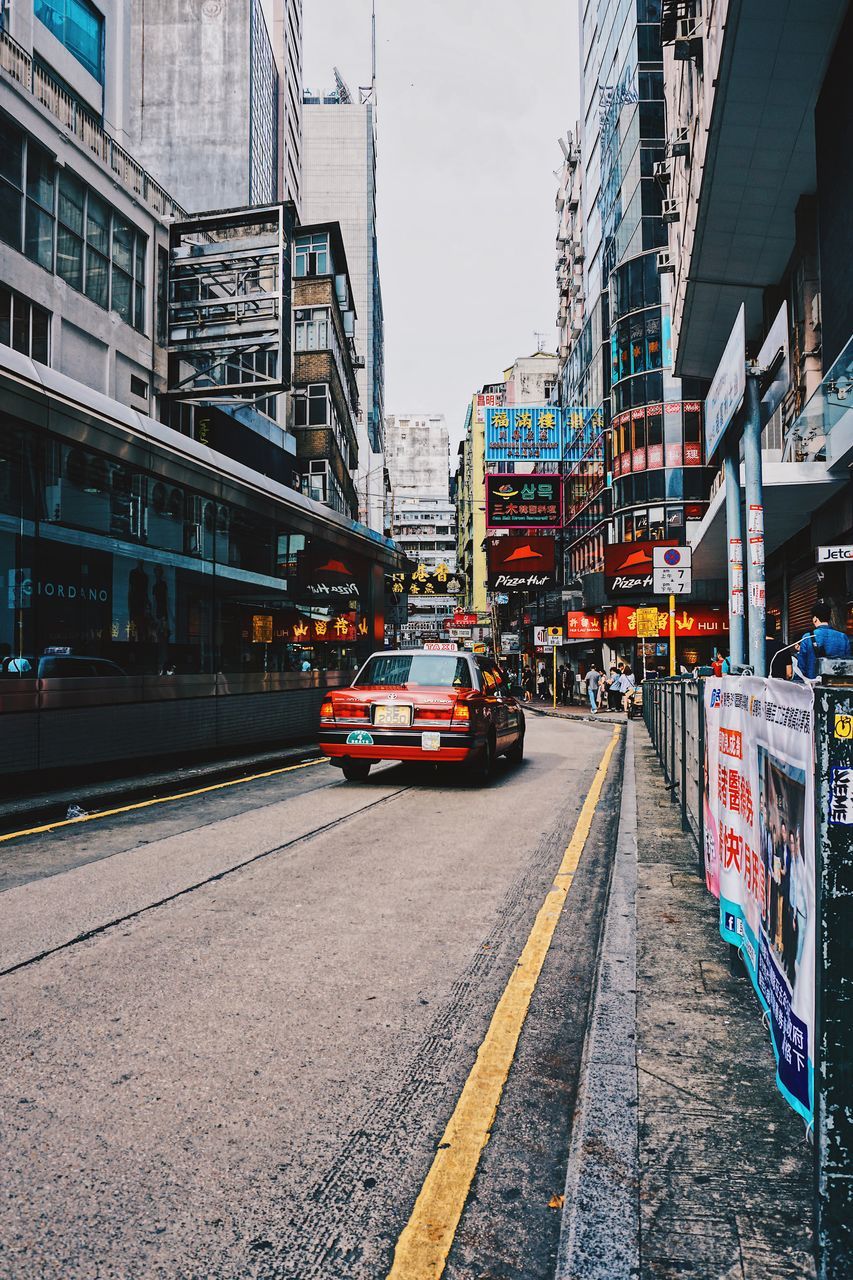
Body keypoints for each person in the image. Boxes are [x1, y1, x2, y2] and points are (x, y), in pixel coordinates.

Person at [794, 600, 851, 680]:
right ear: (829, 618)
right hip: (837, 683)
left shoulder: (807, 637)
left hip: (813, 685)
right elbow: (848, 665)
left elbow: (801, 668)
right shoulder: (843, 637)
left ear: (815, 619)